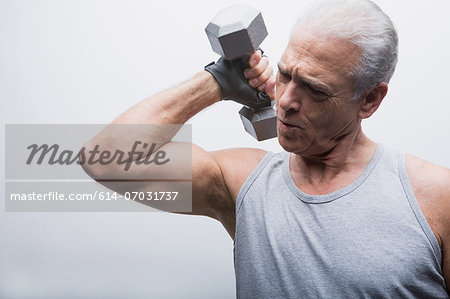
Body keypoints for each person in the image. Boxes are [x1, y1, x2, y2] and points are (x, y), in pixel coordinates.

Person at [81, 0, 449, 297]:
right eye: (286, 74)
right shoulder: (243, 182)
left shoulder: (436, 197)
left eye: (315, 90)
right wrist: (217, 81)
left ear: (369, 100)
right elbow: (105, 159)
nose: (285, 100)